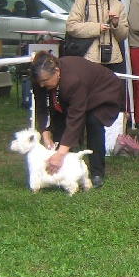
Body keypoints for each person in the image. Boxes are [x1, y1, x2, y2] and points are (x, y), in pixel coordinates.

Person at [31, 51, 125, 189]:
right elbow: (42, 107)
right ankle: (67, 170)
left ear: (57, 71)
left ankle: (97, 172)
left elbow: (76, 118)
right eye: (39, 82)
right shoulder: (39, 77)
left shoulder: (73, 81)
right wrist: (45, 134)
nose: (41, 85)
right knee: (62, 125)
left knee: (93, 121)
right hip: (75, 94)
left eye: (45, 81)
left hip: (104, 92)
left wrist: (61, 153)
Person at [66, 0, 129, 73]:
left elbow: (123, 35)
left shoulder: (118, 5)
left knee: (112, 89)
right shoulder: (83, 1)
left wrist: (116, 24)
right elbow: (71, 26)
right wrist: (97, 28)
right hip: (89, 56)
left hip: (113, 58)